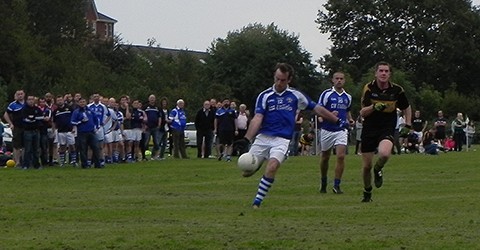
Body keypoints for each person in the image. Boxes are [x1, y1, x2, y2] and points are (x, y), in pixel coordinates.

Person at [235, 63, 348, 208]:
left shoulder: (296, 95)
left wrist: (337, 120)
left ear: (289, 80)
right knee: (247, 170)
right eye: (277, 79)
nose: (279, 83)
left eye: (283, 80)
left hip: (282, 139)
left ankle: (257, 202)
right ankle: (258, 163)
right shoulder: (265, 96)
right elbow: (257, 118)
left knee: (273, 166)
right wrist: (246, 139)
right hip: (263, 137)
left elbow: (318, 108)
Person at [359, 62, 412, 202]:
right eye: (381, 71)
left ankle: (378, 169)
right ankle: (367, 191)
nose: (383, 73)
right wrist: (374, 107)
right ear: (375, 73)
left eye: (386, 71)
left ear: (390, 74)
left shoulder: (397, 90)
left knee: (385, 153)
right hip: (370, 127)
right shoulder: (369, 88)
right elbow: (362, 113)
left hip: (387, 127)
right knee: (366, 167)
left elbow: (407, 107)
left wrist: (408, 124)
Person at [317, 72, 354, 194]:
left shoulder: (347, 97)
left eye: (341, 79)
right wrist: (329, 116)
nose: (339, 80)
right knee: (325, 157)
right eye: (337, 78)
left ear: (344, 81)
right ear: (332, 80)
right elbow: (319, 111)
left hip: (341, 130)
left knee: (341, 156)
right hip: (327, 129)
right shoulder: (326, 94)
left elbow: (347, 111)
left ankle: (336, 185)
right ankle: (323, 181)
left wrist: (350, 120)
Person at [71, 98, 101, 168]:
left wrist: (96, 127)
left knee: (96, 147)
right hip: (82, 133)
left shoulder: (90, 110)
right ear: (78, 103)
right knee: (83, 149)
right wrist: (81, 121)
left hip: (91, 132)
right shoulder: (76, 112)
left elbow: (96, 119)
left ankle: (97, 164)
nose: (82, 103)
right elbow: (73, 122)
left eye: (84, 102)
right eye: (81, 102)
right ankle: (84, 164)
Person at [52, 95, 77, 167]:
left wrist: (74, 128)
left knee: (72, 145)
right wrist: (54, 130)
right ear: (56, 102)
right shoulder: (55, 111)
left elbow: (74, 118)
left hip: (69, 130)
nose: (60, 101)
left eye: (61, 100)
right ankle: (62, 162)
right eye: (58, 100)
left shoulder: (69, 108)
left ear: (63, 100)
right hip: (60, 131)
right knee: (62, 146)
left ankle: (74, 161)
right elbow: (54, 122)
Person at [21, 96, 44, 169]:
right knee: (27, 149)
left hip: (36, 130)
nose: (31, 101)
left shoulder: (37, 109)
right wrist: (33, 118)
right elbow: (25, 119)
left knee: (36, 149)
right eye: (29, 100)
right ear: (27, 101)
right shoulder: (24, 109)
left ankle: (36, 165)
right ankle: (26, 165)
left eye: (32, 100)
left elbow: (41, 117)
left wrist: (33, 118)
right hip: (27, 131)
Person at [3, 90, 25, 167]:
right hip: (17, 127)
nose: (20, 96)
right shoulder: (13, 105)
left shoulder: (27, 103)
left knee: (25, 145)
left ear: (24, 94)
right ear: (16, 95)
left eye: (21, 94)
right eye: (18, 94)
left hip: (27, 127)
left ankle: (24, 161)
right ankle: (17, 162)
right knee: (17, 145)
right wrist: (10, 124)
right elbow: (6, 114)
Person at [143, 95, 161, 160]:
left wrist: (159, 125)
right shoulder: (145, 106)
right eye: (151, 98)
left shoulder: (157, 107)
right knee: (146, 142)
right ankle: (144, 156)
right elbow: (143, 116)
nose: (152, 99)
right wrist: (144, 125)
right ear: (148, 99)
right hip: (147, 127)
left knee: (156, 142)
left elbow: (159, 116)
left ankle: (154, 156)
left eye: (153, 98)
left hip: (155, 127)